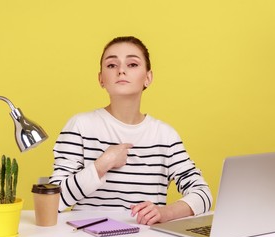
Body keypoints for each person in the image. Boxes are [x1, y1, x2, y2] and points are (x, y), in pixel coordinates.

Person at [49, 36, 212, 225]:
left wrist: (165, 213)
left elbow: (203, 193)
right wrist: (101, 165)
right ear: (101, 79)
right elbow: (52, 202)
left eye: (132, 64)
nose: (121, 71)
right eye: (111, 65)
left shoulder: (165, 136)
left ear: (148, 78)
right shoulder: (80, 126)